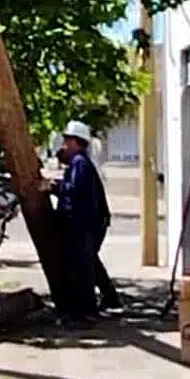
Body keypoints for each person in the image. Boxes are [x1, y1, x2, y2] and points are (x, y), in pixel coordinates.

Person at [49, 120, 120, 322]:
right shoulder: (77, 163)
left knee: (81, 266)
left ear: (76, 142)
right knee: (89, 262)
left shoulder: (80, 163)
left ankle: (84, 311)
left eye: (67, 142)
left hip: (85, 224)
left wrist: (53, 187)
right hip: (87, 223)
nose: (64, 146)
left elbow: (73, 191)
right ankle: (109, 299)